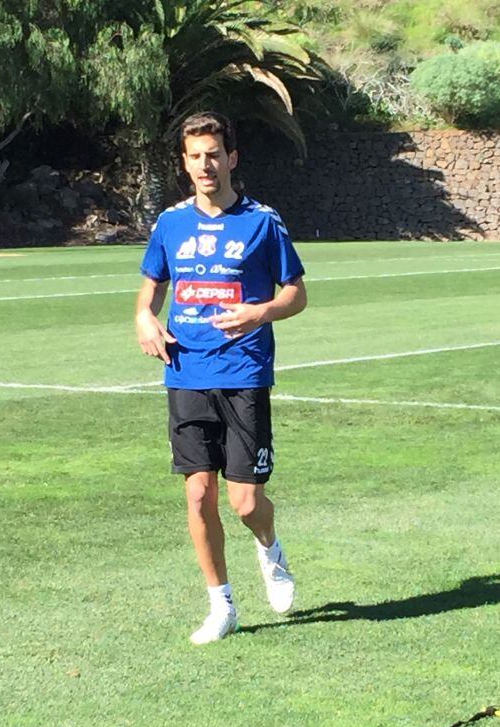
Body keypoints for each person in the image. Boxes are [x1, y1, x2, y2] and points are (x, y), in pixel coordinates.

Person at [135, 112, 308, 644]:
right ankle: (221, 604)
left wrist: (259, 313)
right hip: (185, 371)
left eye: (213, 154)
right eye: (194, 156)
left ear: (231, 159)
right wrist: (144, 317)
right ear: (184, 164)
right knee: (197, 494)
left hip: (244, 371)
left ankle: (270, 550)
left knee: (246, 502)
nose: (205, 165)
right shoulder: (170, 223)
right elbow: (151, 291)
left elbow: (296, 294)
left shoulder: (262, 222)